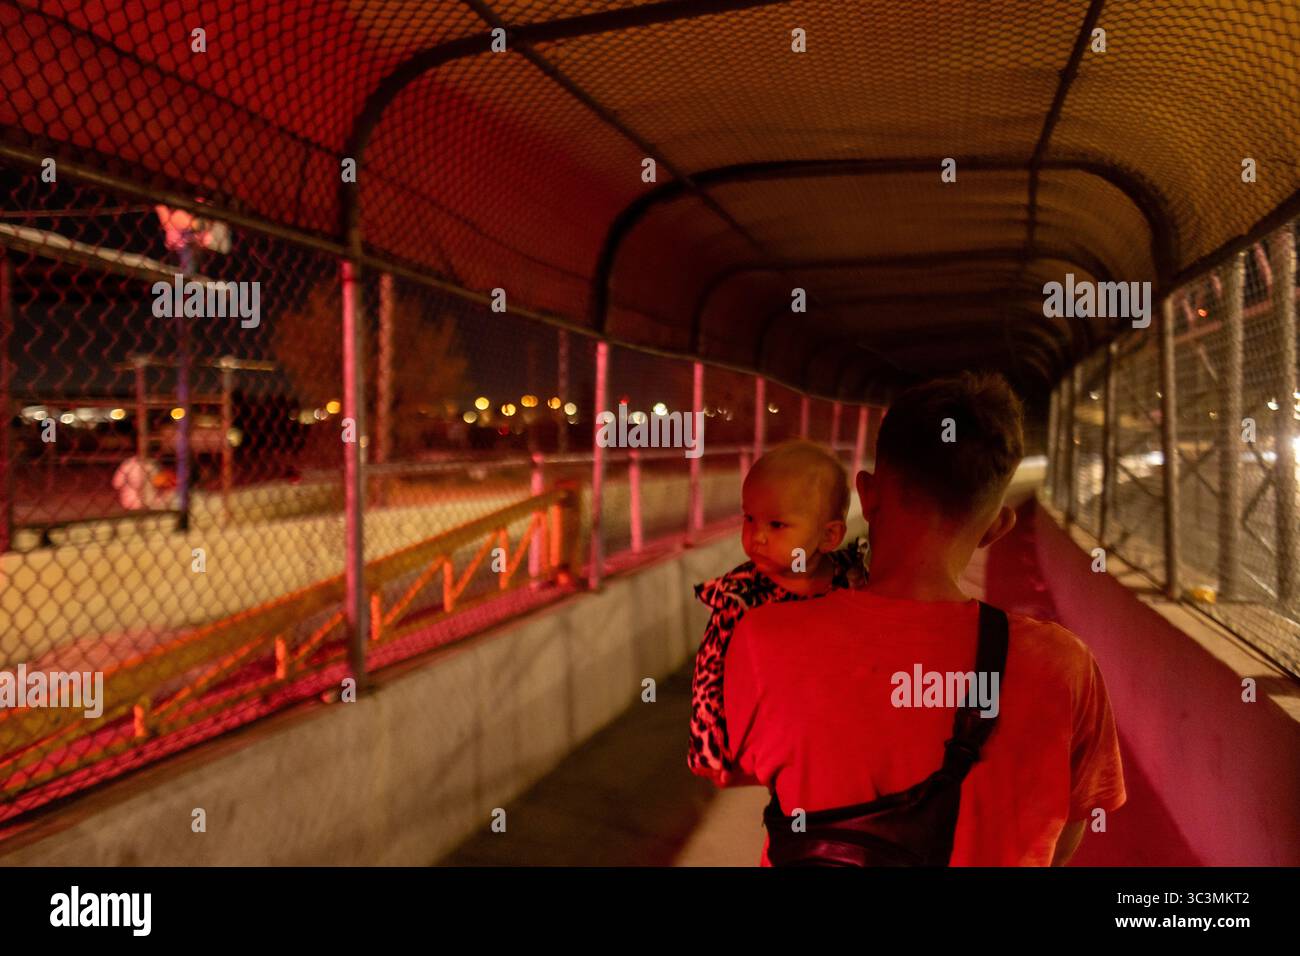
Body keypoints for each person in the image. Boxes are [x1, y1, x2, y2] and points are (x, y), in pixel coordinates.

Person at [722, 373, 1125, 865]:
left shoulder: (763, 639)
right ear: (997, 528)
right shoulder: (1066, 669)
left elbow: (744, 763)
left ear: (866, 495)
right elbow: (1066, 835)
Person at [688, 440, 867, 786]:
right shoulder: (740, 598)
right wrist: (710, 753)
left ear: (829, 536)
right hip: (774, 749)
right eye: (749, 518)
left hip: (835, 740)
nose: (756, 536)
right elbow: (709, 674)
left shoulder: (853, 579)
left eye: (777, 525)